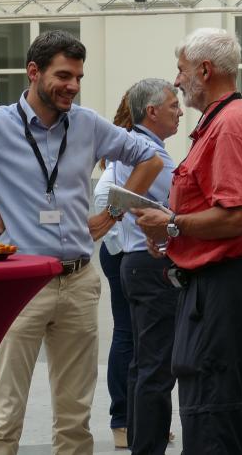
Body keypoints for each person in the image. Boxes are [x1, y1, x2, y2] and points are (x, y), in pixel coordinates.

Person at [0, 30, 164, 455]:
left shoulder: (87, 124)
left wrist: (113, 213)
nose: (73, 86)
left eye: (78, 77)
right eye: (63, 76)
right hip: (19, 284)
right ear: (33, 72)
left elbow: (149, 159)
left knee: (75, 419)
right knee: (5, 415)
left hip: (78, 280)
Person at [132, 27, 242, 455]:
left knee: (212, 410)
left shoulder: (229, 124)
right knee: (220, 405)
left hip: (223, 284)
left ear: (205, 70)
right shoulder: (224, 120)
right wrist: (171, 233)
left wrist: (173, 224)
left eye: (182, 70)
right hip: (221, 282)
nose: (177, 80)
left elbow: (237, 215)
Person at [91, 80, 182, 453]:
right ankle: (142, 437)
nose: (180, 111)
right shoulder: (146, 151)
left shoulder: (138, 147)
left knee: (143, 358)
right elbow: (179, 203)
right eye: (174, 105)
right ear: (152, 112)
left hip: (135, 258)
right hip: (146, 261)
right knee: (153, 364)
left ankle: (135, 431)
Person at [91, 92, 135, 449]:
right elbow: (106, 200)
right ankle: (122, 420)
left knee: (135, 337)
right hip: (121, 255)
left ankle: (134, 417)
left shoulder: (128, 152)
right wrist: (123, 246)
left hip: (123, 253)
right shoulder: (124, 155)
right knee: (127, 335)